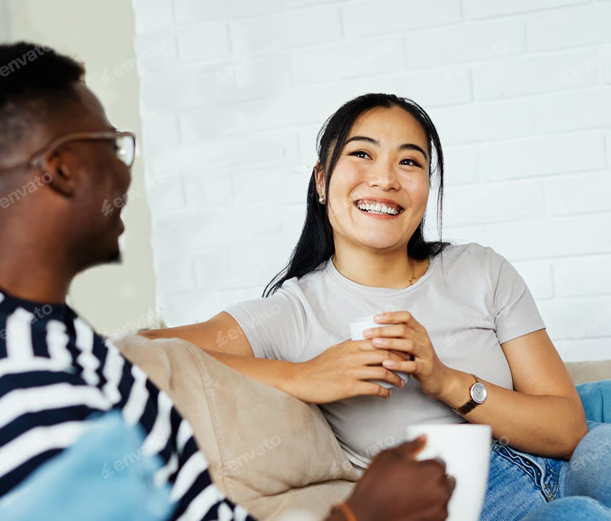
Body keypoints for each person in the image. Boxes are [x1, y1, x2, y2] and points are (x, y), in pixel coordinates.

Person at [0, 43, 455, 521]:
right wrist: (362, 514)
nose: (124, 172)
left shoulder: (70, 344)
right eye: (113, 147)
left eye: (410, 162)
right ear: (62, 170)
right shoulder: (27, 376)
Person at [144, 93, 611, 520]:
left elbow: (568, 429)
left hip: (570, 455)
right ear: (322, 180)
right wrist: (305, 376)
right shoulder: (290, 313)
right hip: (474, 502)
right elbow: (140, 351)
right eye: (362, 154)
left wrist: (447, 381)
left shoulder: (480, 269)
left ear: (427, 189)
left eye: (409, 162)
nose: (385, 178)